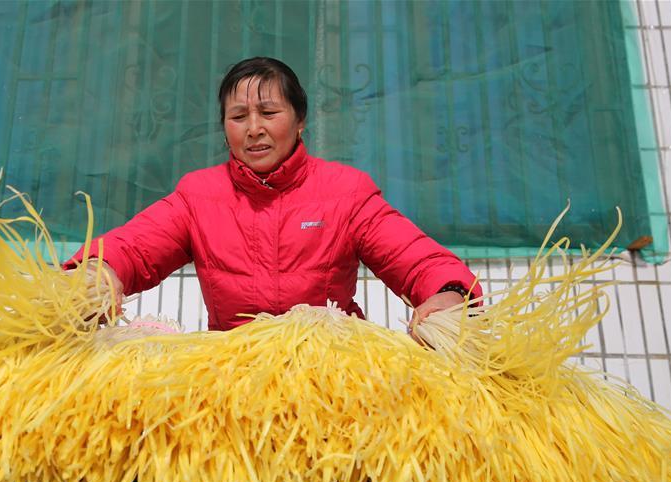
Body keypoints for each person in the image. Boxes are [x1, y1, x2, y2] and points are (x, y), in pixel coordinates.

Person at [64, 57, 481, 332]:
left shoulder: (345, 192)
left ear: (300, 121)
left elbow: (414, 257)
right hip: (234, 374)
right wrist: (96, 273)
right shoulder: (199, 195)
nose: (253, 128)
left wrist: (449, 293)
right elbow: (134, 247)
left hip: (335, 374)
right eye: (238, 116)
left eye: (269, 112)